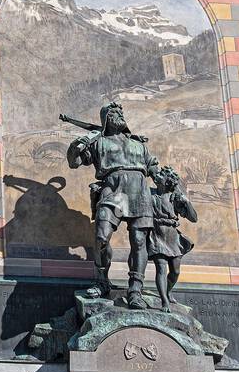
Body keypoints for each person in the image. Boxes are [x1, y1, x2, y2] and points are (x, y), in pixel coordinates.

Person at [66, 102, 158, 306]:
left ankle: (135, 289)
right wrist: (76, 145)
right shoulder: (98, 142)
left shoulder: (138, 143)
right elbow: (74, 162)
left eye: (120, 112)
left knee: (139, 240)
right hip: (112, 187)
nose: (119, 114)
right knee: (101, 236)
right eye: (114, 112)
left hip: (140, 191)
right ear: (105, 119)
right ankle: (102, 281)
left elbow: (154, 170)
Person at [147, 166, 196, 309]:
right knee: (161, 269)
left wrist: (187, 202)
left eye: (162, 175)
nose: (158, 176)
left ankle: (168, 292)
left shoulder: (174, 197)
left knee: (175, 271)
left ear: (167, 181)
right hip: (156, 235)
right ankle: (164, 301)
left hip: (173, 236)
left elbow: (194, 218)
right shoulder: (150, 194)